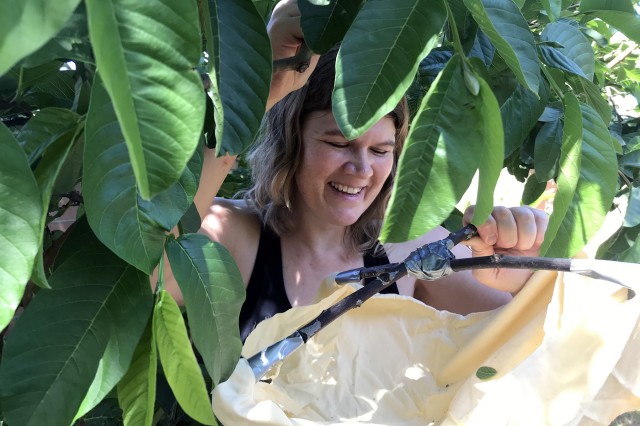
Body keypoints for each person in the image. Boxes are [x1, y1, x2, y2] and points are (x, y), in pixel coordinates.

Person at [162, 0, 548, 341]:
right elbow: (145, 276)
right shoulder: (236, 237)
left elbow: (523, 344)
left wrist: (525, 281)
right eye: (338, 143)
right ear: (289, 144)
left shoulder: (408, 247)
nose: (362, 169)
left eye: (381, 150)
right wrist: (263, 87)